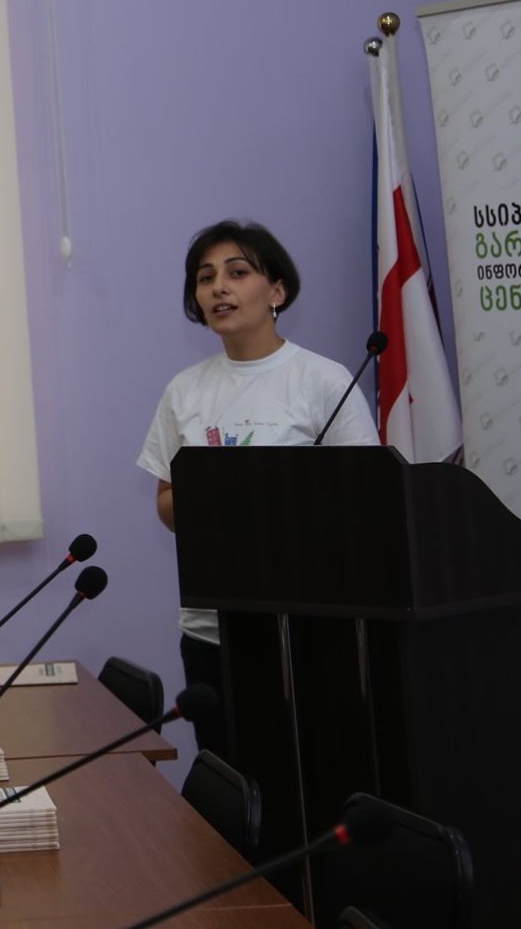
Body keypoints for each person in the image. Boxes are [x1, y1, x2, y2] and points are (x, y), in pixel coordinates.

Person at [139, 220, 378, 757]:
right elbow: (166, 505)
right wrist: (220, 498)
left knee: (314, 779)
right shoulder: (184, 391)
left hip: (309, 628)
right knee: (230, 786)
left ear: (277, 291)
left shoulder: (323, 380)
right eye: (205, 278)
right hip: (211, 631)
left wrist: (278, 500)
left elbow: (366, 500)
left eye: (237, 272)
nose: (218, 288)